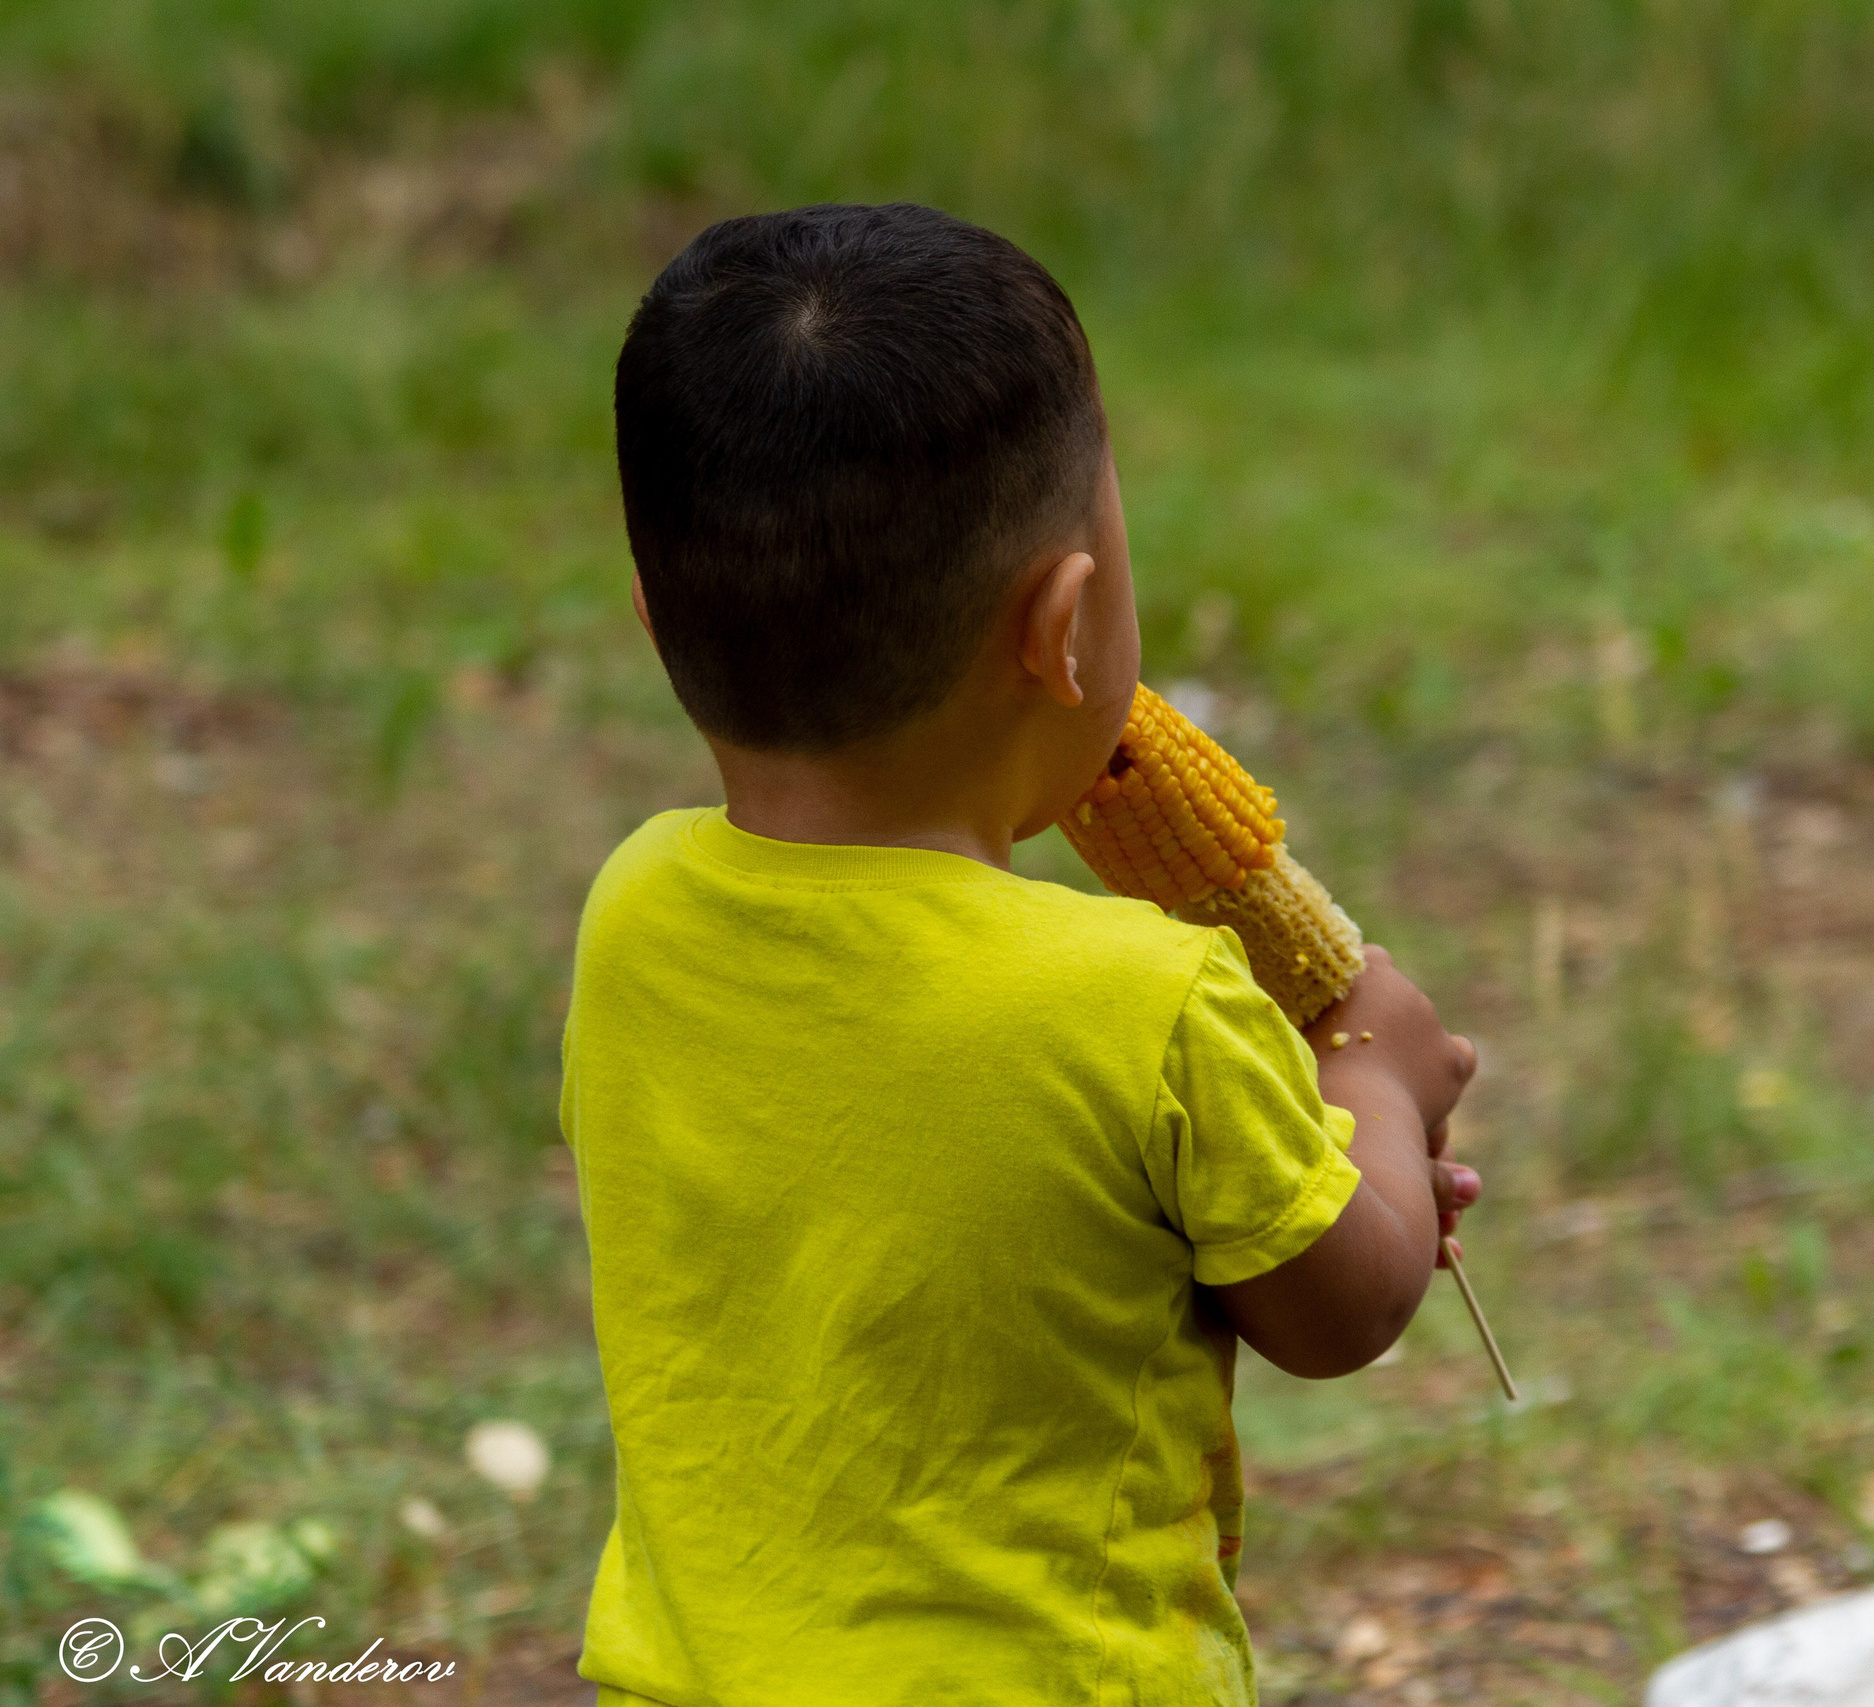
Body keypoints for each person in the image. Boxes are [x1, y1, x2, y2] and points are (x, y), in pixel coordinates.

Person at [564, 201, 1482, 1705]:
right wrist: (1376, 1071)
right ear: (1062, 628)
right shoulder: (1143, 1002)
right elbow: (1349, 1300)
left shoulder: (632, 913)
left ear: (656, 612)